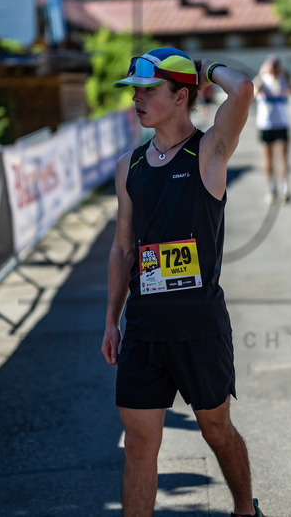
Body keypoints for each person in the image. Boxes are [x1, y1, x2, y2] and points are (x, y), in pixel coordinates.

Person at [101, 47, 263, 517]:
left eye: (149, 90)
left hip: (199, 327)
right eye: (135, 91)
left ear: (180, 95)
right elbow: (122, 248)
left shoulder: (209, 151)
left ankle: (243, 510)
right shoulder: (128, 168)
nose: (138, 99)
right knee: (138, 445)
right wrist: (112, 320)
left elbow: (244, 88)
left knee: (216, 429)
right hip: (145, 329)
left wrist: (205, 66)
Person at [253, 55, 291, 204]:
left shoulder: (283, 79)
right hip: (266, 124)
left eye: (277, 65)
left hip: (282, 124)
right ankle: (270, 189)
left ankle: (284, 189)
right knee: (267, 158)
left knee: (283, 157)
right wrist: (261, 76)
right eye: (272, 65)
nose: (275, 68)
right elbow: (254, 94)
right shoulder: (262, 79)